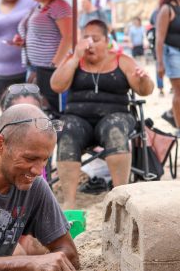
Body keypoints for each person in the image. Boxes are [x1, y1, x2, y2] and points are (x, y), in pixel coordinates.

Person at [50, 20, 154, 209]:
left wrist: (144, 79)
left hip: (116, 116)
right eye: (85, 38)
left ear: (107, 41)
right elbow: (56, 85)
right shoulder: (74, 60)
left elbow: (145, 90)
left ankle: (120, 195)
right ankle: (70, 202)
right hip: (78, 119)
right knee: (67, 130)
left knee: (114, 129)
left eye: (95, 39)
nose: (89, 43)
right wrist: (74, 59)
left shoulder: (122, 60)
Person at [0, 104, 80, 271]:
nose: (38, 170)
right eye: (30, 158)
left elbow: (69, 254)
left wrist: (49, 263)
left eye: (45, 160)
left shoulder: (35, 186)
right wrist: (30, 263)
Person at [14, 0, 72, 113]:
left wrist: (53, 65)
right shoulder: (37, 7)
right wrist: (23, 41)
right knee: (37, 110)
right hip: (36, 68)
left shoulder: (60, 6)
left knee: (52, 111)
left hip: (50, 70)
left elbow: (69, 36)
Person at [156, 0, 180, 136]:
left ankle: (172, 113)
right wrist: (159, 63)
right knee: (179, 91)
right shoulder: (167, 9)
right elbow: (159, 38)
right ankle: (179, 126)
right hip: (172, 53)